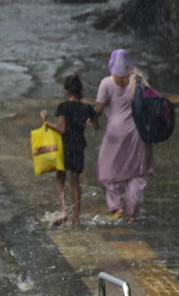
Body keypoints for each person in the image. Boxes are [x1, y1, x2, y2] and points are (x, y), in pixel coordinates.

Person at [94, 49, 153, 224]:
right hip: (137, 134)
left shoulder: (107, 83)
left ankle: (117, 208)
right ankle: (131, 214)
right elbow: (150, 100)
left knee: (109, 169)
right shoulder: (138, 80)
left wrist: (92, 119)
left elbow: (98, 109)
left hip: (115, 133)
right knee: (136, 173)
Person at [39, 73, 99, 228]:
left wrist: (46, 122)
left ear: (66, 91)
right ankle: (76, 219)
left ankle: (64, 211)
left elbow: (62, 129)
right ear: (80, 92)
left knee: (60, 178)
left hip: (65, 147)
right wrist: (91, 122)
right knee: (75, 181)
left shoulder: (63, 107)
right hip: (79, 147)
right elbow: (95, 125)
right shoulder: (86, 108)